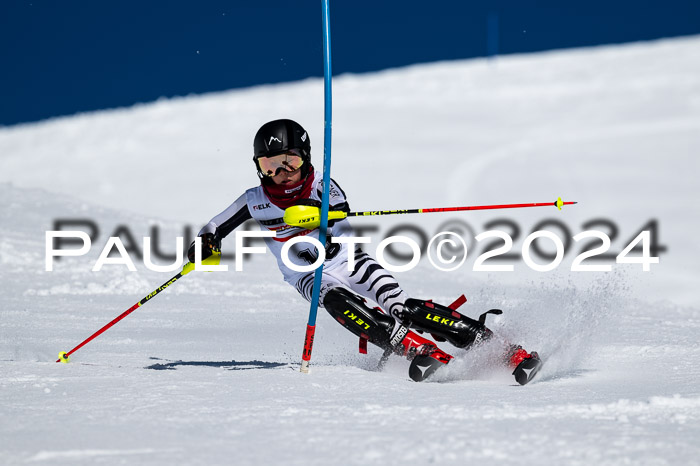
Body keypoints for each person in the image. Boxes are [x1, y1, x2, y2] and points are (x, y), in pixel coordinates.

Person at [189, 119, 542, 384]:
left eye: (289, 162)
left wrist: (322, 228)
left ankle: (504, 351)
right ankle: (418, 350)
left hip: (351, 262)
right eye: (270, 165)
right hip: (308, 277)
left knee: (405, 307)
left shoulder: (323, 186)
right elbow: (214, 226)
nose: (281, 173)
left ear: (305, 158)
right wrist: (205, 245)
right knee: (335, 301)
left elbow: (341, 215)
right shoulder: (255, 201)